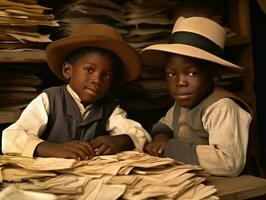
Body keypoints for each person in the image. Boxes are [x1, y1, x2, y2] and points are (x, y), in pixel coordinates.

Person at [2, 24, 151, 160]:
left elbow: (140, 134)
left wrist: (121, 140)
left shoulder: (109, 108)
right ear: (68, 71)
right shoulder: (50, 99)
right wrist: (50, 148)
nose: (96, 80)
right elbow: (11, 136)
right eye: (89, 70)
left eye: (106, 76)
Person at [141, 16, 252, 177]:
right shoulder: (181, 104)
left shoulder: (222, 107)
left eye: (192, 73)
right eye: (172, 74)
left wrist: (169, 148)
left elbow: (229, 163)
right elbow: (164, 124)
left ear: (215, 75)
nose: (180, 82)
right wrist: (160, 138)